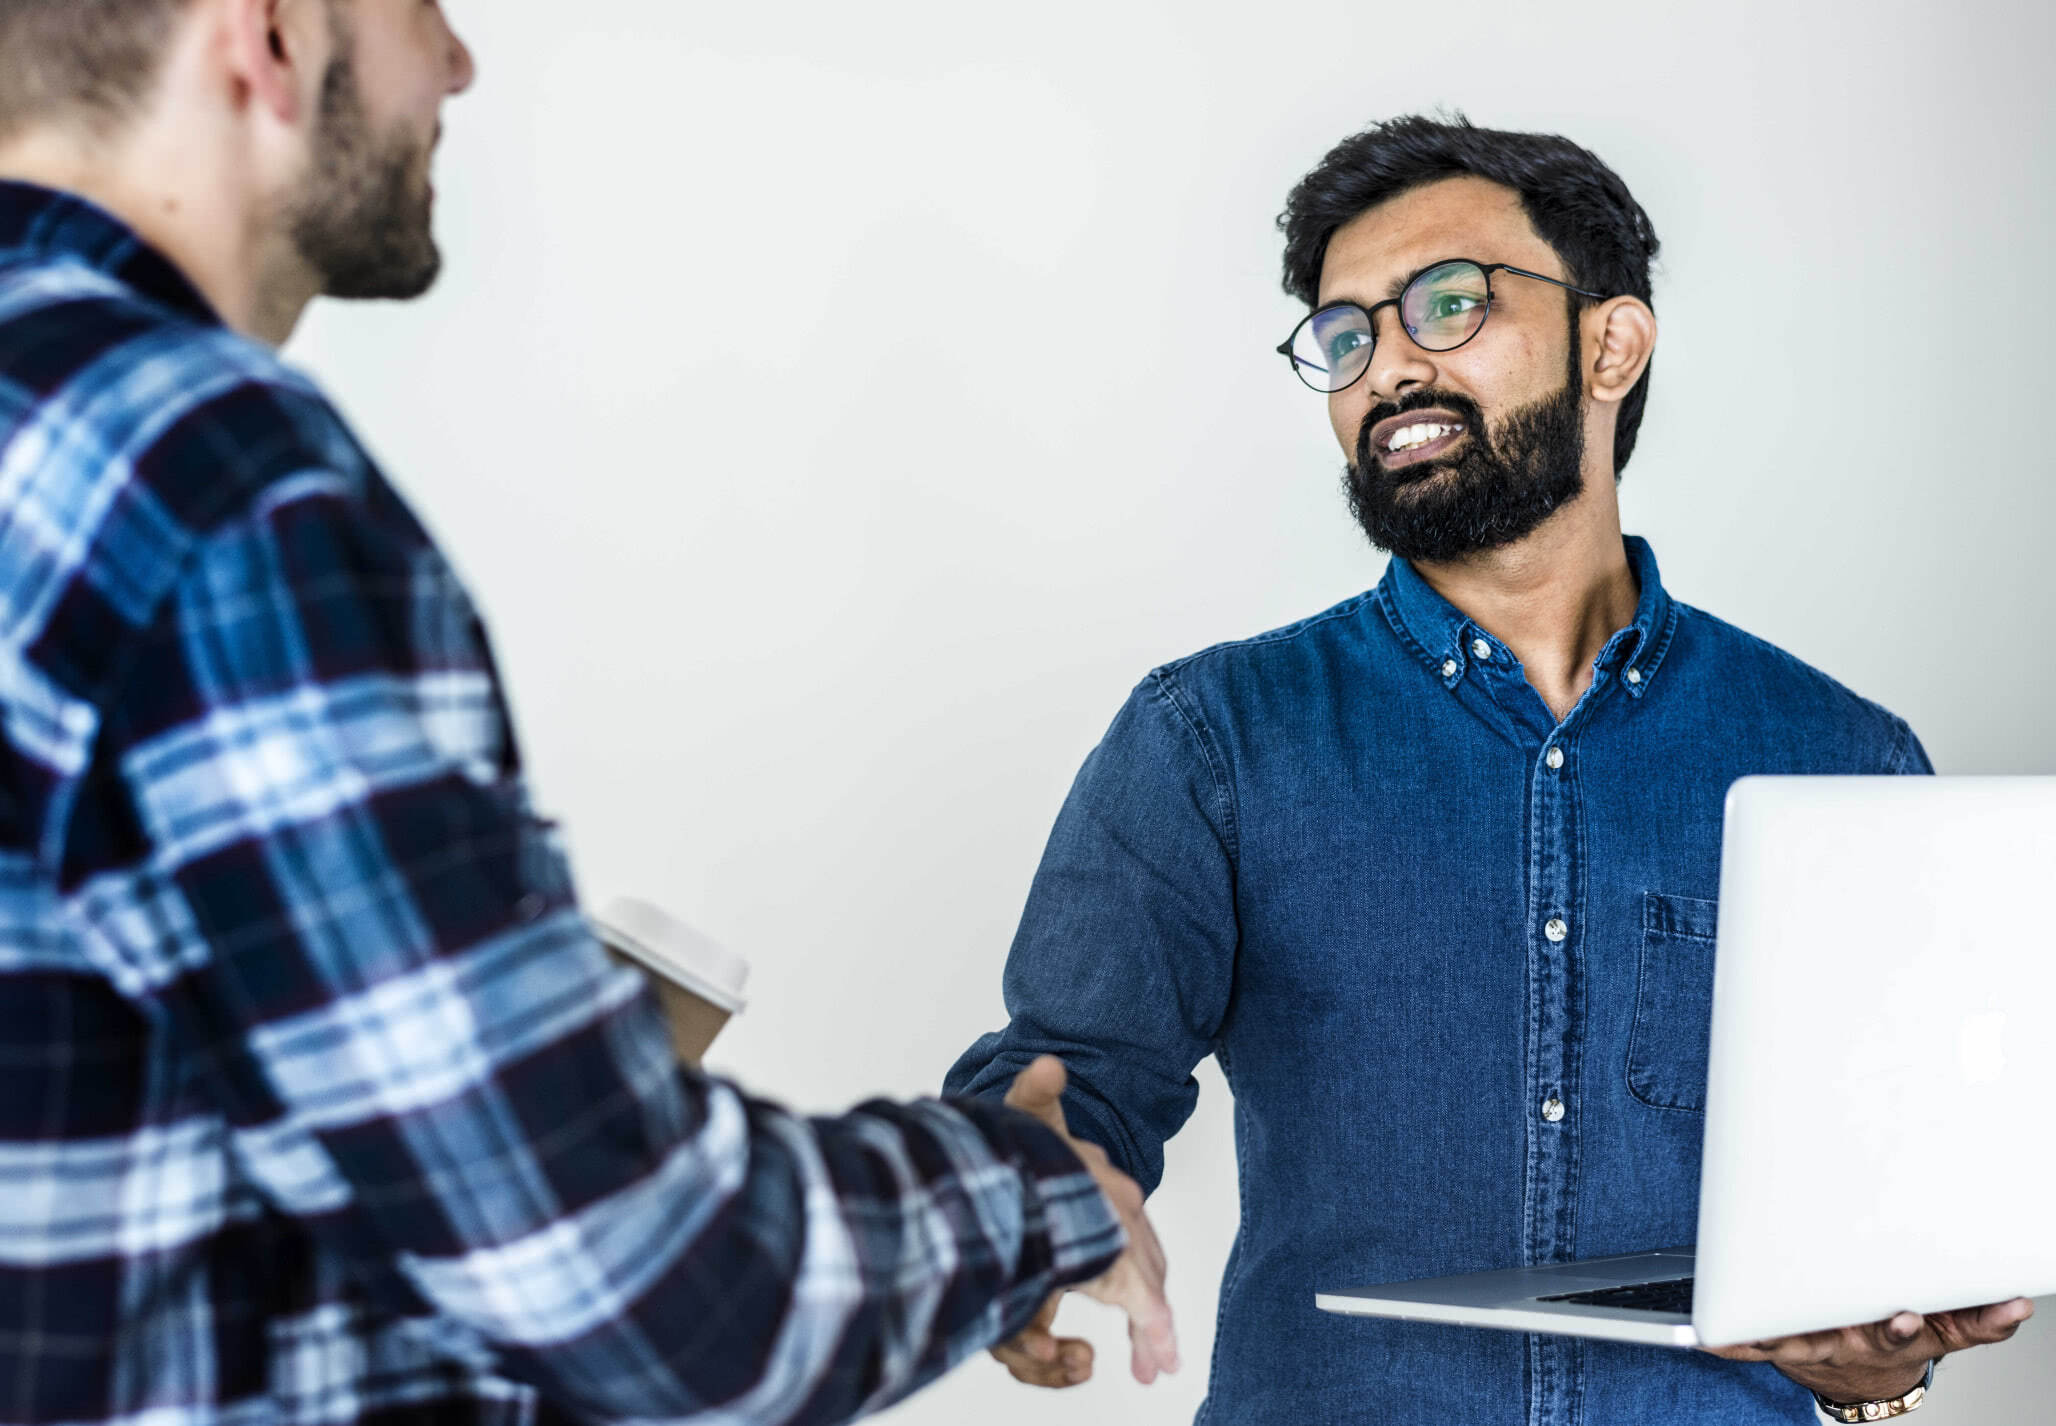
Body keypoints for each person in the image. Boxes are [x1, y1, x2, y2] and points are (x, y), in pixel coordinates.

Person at [0, 2, 1177, 1422]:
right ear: (274, 34)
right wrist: (1041, 1190)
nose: (456, 62)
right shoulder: (215, 488)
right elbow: (651, 1283)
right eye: (419, 11)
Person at [946, 113, 2031, 1424]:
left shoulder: (1845, 761)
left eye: (1447, 303)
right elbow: (1072, 1070)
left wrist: (1884, 1364)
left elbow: (1888, 1216)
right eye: (1346, 335)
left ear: (1612, 343)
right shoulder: (1212, 737)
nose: (1387, 365)